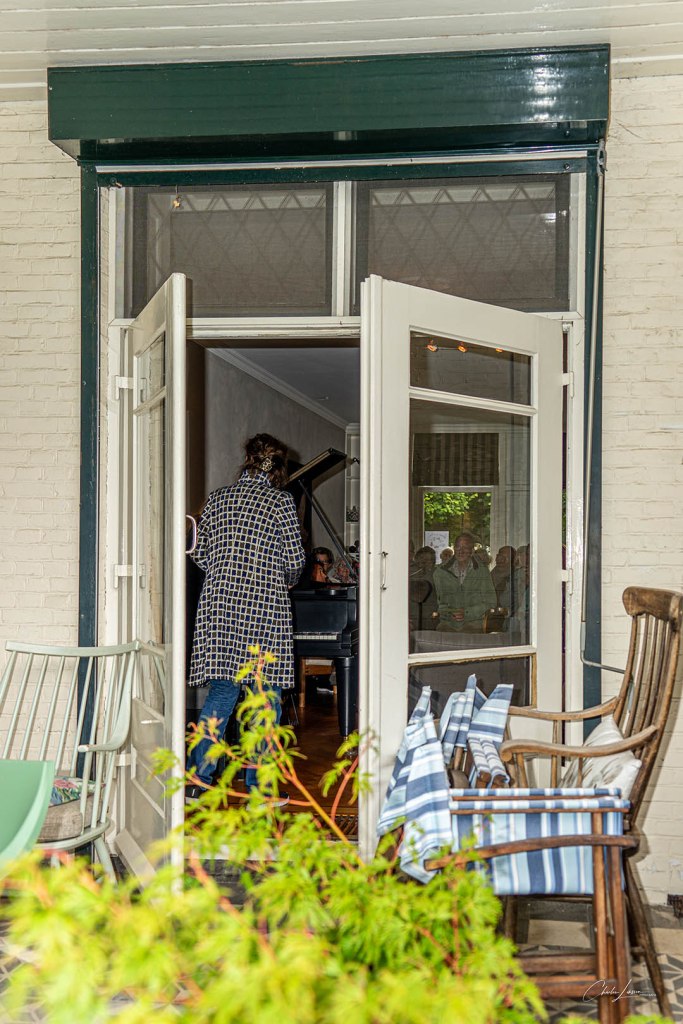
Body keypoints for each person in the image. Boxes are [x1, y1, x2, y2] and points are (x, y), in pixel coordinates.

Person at [186, 433, 306, 802]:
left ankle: (197, 781)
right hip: (265, 609)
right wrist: (281, 577)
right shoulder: (281, 502)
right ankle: (260, 790)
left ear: (248, 459)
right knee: (265, 698)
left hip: (220, 609)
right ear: (278, 467)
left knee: (222, 693)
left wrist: (227, 570)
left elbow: (199, 553)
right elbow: (295, 560)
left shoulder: (218, 498)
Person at [432, 532, 497, 633]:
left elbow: (491, 602)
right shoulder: (440, 572)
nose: (461, 551)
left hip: (474, 623)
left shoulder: (482, 571)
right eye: (458, 547)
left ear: (472, 551)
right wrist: (450, 613)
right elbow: (438, 603)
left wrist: (467, 613)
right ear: (454, 548)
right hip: (448, 624)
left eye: (465, 547)